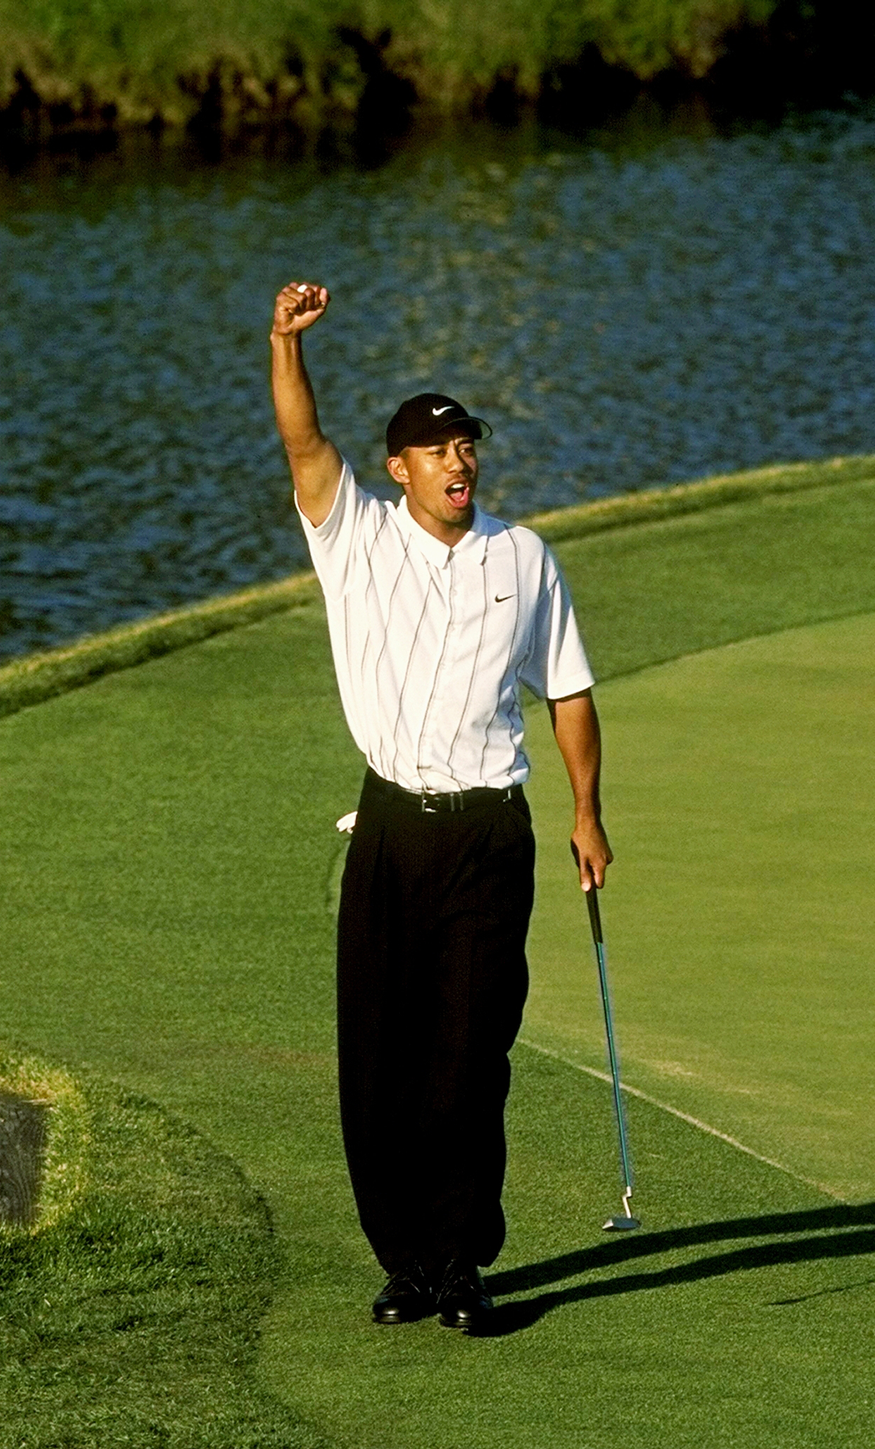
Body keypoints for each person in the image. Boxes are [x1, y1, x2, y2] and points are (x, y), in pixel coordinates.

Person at [267, 279, 612, 1333]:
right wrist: (284, 342)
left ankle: (459, 1266)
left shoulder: (524, 557)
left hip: (488, 833)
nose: (459, 461)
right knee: (378, 1060)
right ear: (399, 468)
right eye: (438, 448)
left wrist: (588, 811)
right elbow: (301, 441)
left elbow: (569, 691)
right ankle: (406, 1265)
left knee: (469, 1053)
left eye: (469, 446)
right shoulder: (354, 536)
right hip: (389, 832)